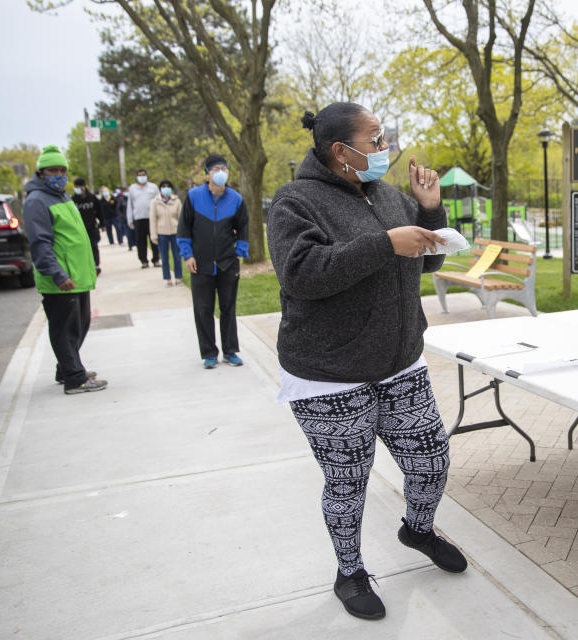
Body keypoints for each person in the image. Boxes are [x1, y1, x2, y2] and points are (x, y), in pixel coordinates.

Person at [266, 103, 463, 621]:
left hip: (399, 363)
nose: (385, 148)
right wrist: (383, 244)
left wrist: (429, 210)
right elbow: (303, 274)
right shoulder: (295, 201)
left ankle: (417, 530)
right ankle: (349, 572)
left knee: (432, 460)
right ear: (340, 151)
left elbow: (429, 259)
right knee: (348, 483)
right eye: (375, 140)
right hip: (328, 376)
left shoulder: (390, 195)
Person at [22, 145, 107, 394]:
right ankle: (74, 378)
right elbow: (40, 244)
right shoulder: (37, 201)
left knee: (79, 325)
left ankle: (67, 367)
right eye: (53, 170)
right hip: (61, 280)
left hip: (77, 277)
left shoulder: (62, 197)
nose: (59, 174)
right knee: (65, 329)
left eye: (62, 170)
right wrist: (58, 274)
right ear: (41, 173)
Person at [177, 154, 249, 368]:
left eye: (224, 169)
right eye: (216, 168)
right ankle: (209, 353)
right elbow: (183, 228)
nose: (221, 172)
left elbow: (244, 226)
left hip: (227, 263)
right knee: (203, 309)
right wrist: (187, 255)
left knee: (228, 307)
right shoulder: (193, 197)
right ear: (207, 173)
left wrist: (240, 250)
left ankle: (230, 351)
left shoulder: (235, 198)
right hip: (200, 264)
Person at [149, 179, 184, 286]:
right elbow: (153, 219)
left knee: (177, 256)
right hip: (162, 232)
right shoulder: (155, 202)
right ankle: (167, 278)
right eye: (163, 187)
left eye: (167, 186)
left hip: (175, 232)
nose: (166, 189)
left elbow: (181, 218)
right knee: (164, 257)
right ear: (160, 189)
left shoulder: (176, 201)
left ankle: (178, 277)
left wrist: (182, 233)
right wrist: (153, 235)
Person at [127, 169, 160, 268]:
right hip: (138, 218)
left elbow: (159, 201)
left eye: (143, 175)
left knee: (154, 239)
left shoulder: (153, 187)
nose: (142, 177)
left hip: (151, 218)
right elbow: (130, 205)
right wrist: (130, 219)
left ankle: (156, 259)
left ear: (146, 175)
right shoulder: (133, 188)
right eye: (140, 175)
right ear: (137, 177)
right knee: (140, 241)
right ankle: (143, 261)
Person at [71, 177, 104, 274]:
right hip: (79, 228)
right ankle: (86, 265)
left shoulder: (92, 198)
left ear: (84, 187)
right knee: (81, 248)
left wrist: (102, 224)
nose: (78, 189)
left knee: (93, 246)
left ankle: (95, 265)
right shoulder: (73, 200)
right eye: (76, 187)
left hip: (92, 227)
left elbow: (99, 211)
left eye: (80, 187)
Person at [115, 187, 133, 252]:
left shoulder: (132, 198)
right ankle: (130, 245)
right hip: (125, 219)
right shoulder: (121, 199)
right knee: (128, 233)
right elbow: (118, 209)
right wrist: (122, 216)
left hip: (133, 219)